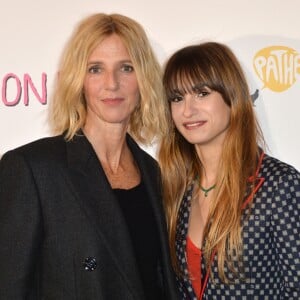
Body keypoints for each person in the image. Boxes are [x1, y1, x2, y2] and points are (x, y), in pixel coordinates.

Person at [0, 13, 179, 300]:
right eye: (95, 69)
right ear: (77, 80)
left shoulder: (154, 173)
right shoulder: (33, 169)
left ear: (143, 78)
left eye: (126, 68)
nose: (112, 83)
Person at [158, 41, 300, 299]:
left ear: (231, 97)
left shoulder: (278, 185)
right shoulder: (176, 188)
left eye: (202, 93)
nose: (188, 110)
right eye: (177, 98)